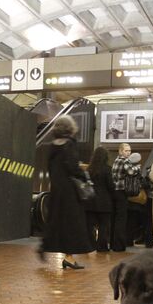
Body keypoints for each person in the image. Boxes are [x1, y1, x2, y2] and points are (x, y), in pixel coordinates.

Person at [41, 115, 92, 269]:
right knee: (73, 224)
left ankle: (46, 247)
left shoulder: (52, 145)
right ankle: (69, 257)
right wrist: (84, 175)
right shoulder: (69, 144)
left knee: (56, 221)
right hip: (69, 191)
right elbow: (72, 167)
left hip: (56, 189)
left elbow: (49, 168)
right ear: (70, 128)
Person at [111, 143, 140, 251]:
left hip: (116, 192)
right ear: (120, 151)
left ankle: (115, 244)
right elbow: (131, 171)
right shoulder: (123, 160)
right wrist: (137, 167)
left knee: (117, 219)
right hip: (121, 192)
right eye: (126, 150)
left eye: (129, 151)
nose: (128, 153)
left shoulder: (116, 160)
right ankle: (119, 246)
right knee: (121, 219)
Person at [84, 147, 114, 252]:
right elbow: (111, 186)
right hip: (104, 202)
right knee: (104, 226)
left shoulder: (89, 169)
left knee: (89, 225)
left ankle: (89, 245)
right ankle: (102, 246)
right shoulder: (107, 169)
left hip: (90, 201)